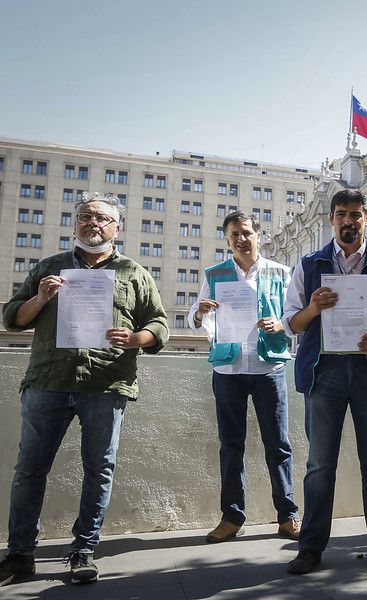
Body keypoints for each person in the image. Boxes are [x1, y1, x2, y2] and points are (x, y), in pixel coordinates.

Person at [0, 193, 168, 586]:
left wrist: (135, 338)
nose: (93, 223)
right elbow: (13, 320)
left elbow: (158, 325)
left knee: (99, 469)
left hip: (106, 384)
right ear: (75, 224)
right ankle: (21, 554)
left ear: (116, 228)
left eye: (102, 218)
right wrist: (41, 297)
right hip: (48, 381)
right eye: (85, 216)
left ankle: (83, 551)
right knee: (29, 470)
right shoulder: (49, 268)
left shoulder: (133, 272)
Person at [282, 189, 367, 574]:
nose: (348, 221)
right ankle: (310, 547)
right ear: (331, 219)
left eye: (356, 214)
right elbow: (291, 323)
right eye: (341, 214)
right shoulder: (309, 265)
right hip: (324, 373)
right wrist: (313, 308)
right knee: (319, 464)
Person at [188, 211, 300, 544]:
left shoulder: (281, 272)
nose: (241, 238)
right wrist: (201, 312)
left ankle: (288, 516)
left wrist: (280, 323)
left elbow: (295, 313)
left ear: (258, 235)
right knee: (230, 446)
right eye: (234, 234)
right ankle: (232, 517)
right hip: (229, 369)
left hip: (269, 367)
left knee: (278, 445)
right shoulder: (216, 274)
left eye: (247, 232)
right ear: (227, 239)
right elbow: (196, 318)